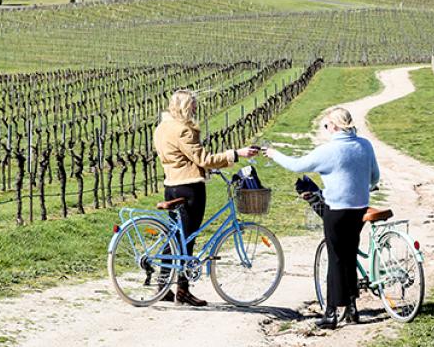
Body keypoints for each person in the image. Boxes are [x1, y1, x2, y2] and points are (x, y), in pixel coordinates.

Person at [264, 107, 380, 329]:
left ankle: (331, 313)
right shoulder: (365, 145)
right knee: (349, 255)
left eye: (326, 125)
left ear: (335, 126)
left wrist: (273, 153)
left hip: (336, 210)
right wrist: (364, 187)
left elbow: (296, 165)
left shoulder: (329, 150)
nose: (326, 129)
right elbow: (375, 177)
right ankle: (352, 308)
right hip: (359, 209)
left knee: (336, 259)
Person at [153, 89, 258, 306]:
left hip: (171, 186)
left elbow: (179, 157)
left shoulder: (162, 128)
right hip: (189, 188)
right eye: (193, 105)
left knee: (175, 239)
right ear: (184, 107)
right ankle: (182, 290)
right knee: (188, 239)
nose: (196, 108)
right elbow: (204, 159)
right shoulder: (183, 130)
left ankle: (163, 286)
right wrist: (236, 153)